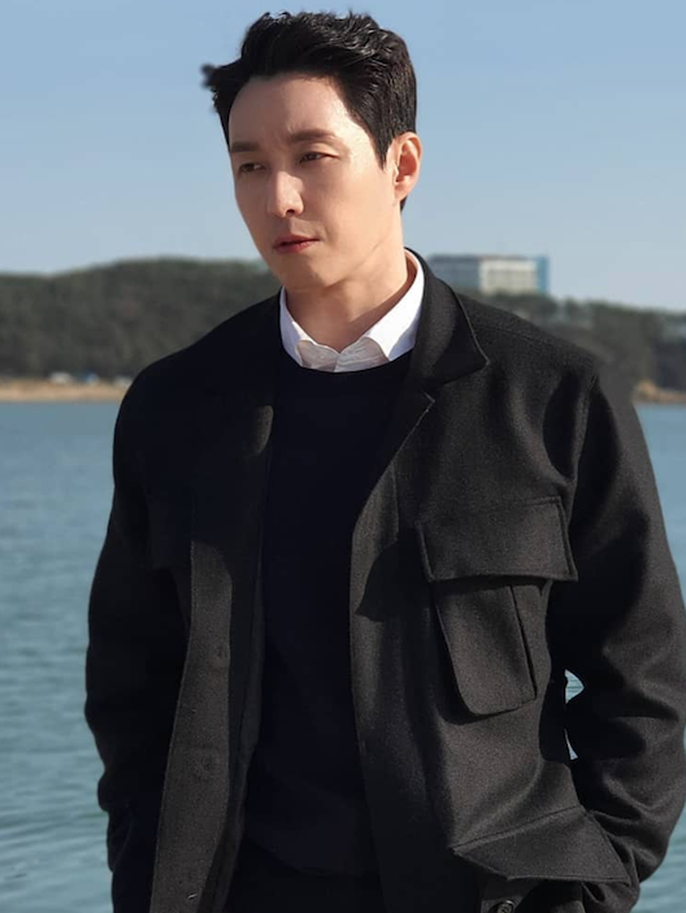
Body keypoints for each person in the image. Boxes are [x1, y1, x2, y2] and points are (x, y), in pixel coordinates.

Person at [84, 10, 686, 913]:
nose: (279, 197)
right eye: (250, 166)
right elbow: (129, 686)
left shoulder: (555, 396)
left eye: (312, 157)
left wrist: (592, 887)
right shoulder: (176, 409)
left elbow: (645, 679)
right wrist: (145, 872)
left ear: (401, 165)